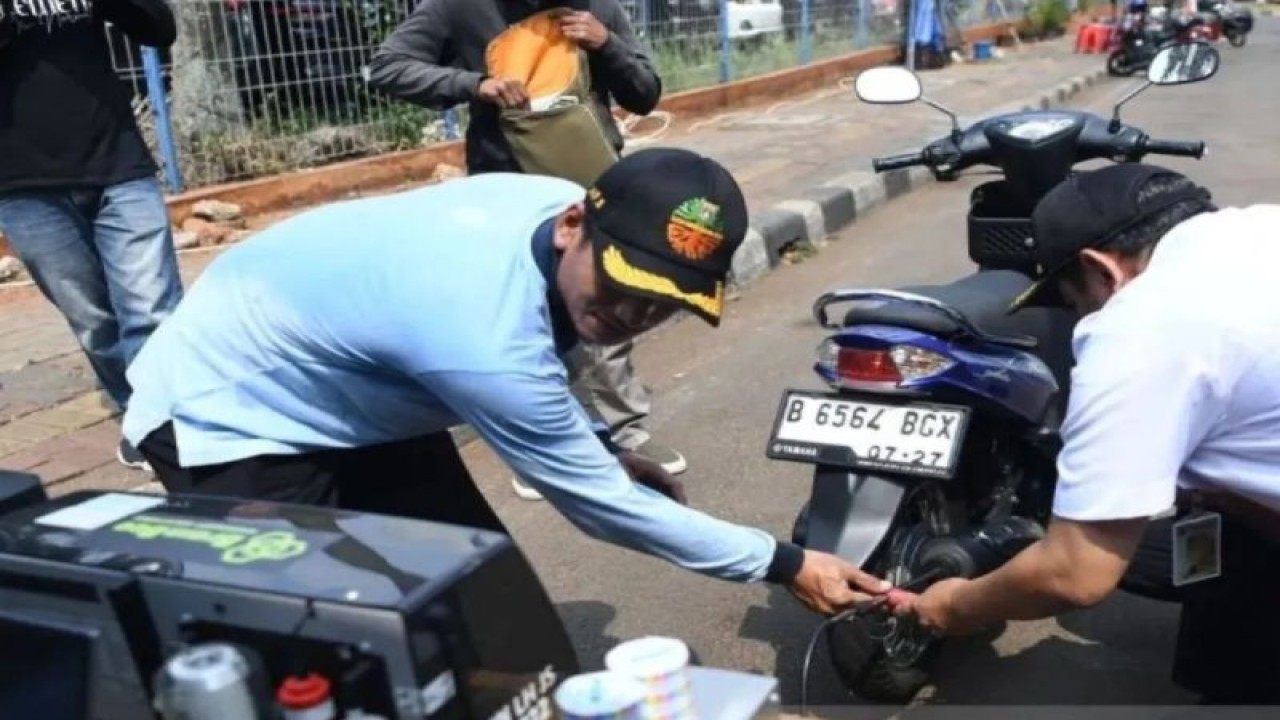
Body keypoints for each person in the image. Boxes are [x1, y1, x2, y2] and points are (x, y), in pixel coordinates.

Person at [120, 147, 890, 614]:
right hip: (227, 411)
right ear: (572, 227)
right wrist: (787, 563)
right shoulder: (477, 338)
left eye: (662, 306)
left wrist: (598, 442)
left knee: (472, 588)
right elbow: (602, 510)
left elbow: (543, 349)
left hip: (354, 387)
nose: (629, 315)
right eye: (621, 284)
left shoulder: (547, 213)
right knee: (302, 637)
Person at [886, 164, 1280, 704]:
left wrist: (953, 606)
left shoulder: (1139, 329)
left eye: (1073, 302)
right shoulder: (1256, 228)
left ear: (1101, 271)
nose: (1081, 316)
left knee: (1118, 551)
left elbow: (1075, 573)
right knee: (1206, 527)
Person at [367, 0, 683, 502]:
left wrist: (606, 44)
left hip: (591, 179)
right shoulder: (460, 8)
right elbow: (387, 68)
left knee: (608, 297)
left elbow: (644, 94)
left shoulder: (597, 8)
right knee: (527, 313)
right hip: (507, 193)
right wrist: (473, 85)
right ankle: (549, 445)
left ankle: (626, 432)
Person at [0, 0, 184, 472]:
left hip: (119, 163)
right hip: (21, 183)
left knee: (152, 308)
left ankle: (164, 422)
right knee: (94, 320)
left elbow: (159, 29)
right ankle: (136, 411)